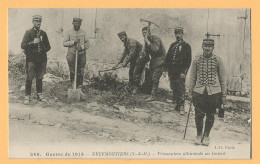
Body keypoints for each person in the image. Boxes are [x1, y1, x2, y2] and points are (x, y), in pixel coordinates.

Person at [188, 38, 226, 146]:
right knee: (198, 114)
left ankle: (206, 136)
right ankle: (199, 135)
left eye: (209, 46)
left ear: (213, 48)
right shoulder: (197, 60)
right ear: (202, 47)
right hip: (199, 92)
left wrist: (223, 95)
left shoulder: (217, 60)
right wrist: (190, 91)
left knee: (210, 115)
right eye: (205, 46)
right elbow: (192, 76)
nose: (207, 48)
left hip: (214, 93)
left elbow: (223, 78)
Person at [21, 15, 51, 105]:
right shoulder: (28, 32)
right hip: (31, 59)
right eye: (36, 21)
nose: (38, 23)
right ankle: (27, 95)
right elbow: (22, 45)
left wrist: (42, 50)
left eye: (39, 21)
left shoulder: (43, 33)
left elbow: (49, 47)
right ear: (33, 22)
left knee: (39, 77)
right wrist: (32, 43)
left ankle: (39, 95)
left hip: (41, 59)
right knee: (29, 77)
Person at [164, 26, 192, 115]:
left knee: (180, 88)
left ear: (182, 34)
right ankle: (177, 105)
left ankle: (181, 106)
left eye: (179, 33)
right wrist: (165, 69)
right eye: (176, 33)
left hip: (180, 72)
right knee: (174, 87)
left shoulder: (186, 46)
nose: (178, 35)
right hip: (171, 71)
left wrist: (184, 72)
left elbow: (188, 61)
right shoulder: (172, 45)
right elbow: (167, 58)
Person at [135, 26, 166, 101]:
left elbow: (156, 49)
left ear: (149, 32)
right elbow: (145, 51)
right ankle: (148, 92)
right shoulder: (146, 41)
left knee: (155, 78)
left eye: (145, 33)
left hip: (161, 60)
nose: (143, 35)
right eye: (142, 33)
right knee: (150, 76)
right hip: (154, 61)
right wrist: (142, 53)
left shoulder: (156, 39)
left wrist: (148, 43)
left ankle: (153, 96)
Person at [63, 17, 90, 88]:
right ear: (72, 23)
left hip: (81, 54)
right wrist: (72, 42)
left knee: (81, 70)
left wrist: (82, 47)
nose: (77, 25)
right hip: (71, 54)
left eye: (79, 23)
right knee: (72, 69)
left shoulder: (83, 32)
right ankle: (73, 83)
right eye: (75, 23)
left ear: (80, 24)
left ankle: (80, 84)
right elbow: (64, 43)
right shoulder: (68, 32)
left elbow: (88, 43)